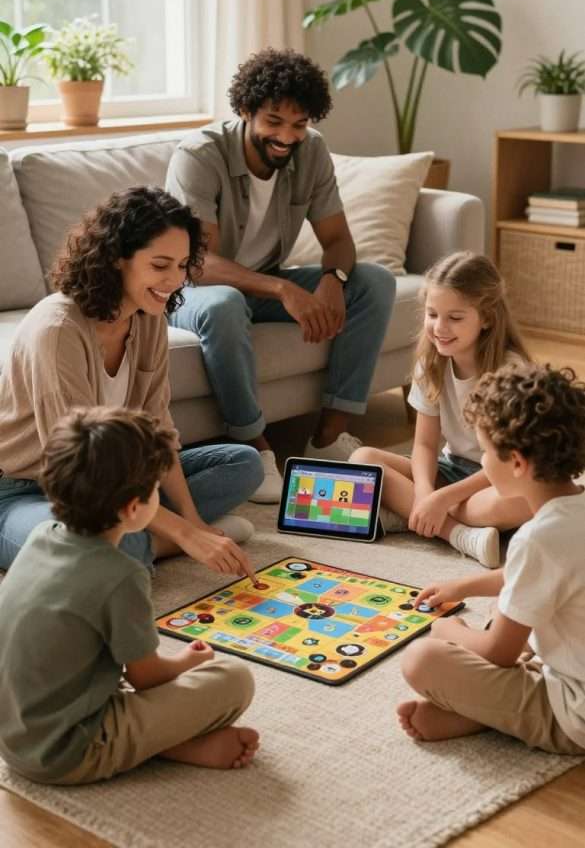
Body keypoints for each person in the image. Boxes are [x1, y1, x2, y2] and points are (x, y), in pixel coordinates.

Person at [165, 47, 396, 503]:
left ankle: (327, 438)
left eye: (299, 124)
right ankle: (256, 447)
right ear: (246, 111)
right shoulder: (200, 155)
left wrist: (335, 282)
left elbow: (339, 241)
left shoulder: (311, 151)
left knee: (374, 282)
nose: (287, 137)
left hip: (263, 281)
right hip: (193, 289)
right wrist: (283, 288)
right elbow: (196, 262)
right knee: (227, 303)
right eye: (274, 121)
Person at [0, 185, 264, 574]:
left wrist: (193, 522)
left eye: (182, 265)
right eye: (160, 266)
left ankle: (152, 540)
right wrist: (187, 535)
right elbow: (84, 466)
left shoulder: (148, 315)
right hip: (27, 489)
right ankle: (154, 545)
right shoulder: (57, 330)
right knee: (89, 554)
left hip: (117, 480)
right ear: (116, 259)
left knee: (244, 464)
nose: (175, 281)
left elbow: (159, 432)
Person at [0, 406, 259, 784]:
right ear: (133, 508)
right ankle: (162, 745)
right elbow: (148, 679)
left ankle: (161, 741)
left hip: (13, 738)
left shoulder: (41, 537)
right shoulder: (121, 575)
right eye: (156, 489)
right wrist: (186, 661)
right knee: (235, 679)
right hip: (68, 752)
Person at [396, 361, 585, 756]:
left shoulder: (538, 538)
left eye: (484, 451)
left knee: (422, 658)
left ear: (517, 462)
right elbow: (548, 575)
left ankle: (495, 715)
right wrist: (464, 585)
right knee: (518, 610)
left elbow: (500, 652)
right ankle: (485, 710)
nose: (481, 463)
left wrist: (452, 631)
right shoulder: (574, 509)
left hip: (575, 714)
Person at [351, 252, 531, 567]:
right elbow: (424, 444)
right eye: (432, 314)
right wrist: (424, 492)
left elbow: (509, 463)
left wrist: (443, 498)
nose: (440, 328)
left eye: (455, 318)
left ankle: (411, 514)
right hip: (450, 470)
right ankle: (457, 534)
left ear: (486, 317)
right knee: (363, 460)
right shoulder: (431, 363)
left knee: (519, 501)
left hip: (495, 479)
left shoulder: (510, 371)